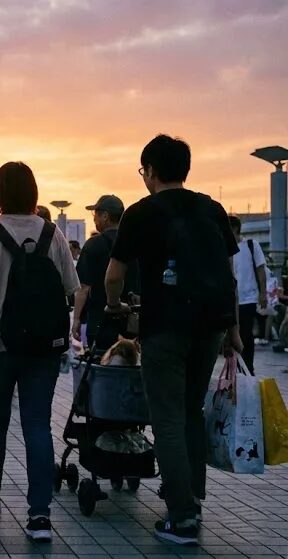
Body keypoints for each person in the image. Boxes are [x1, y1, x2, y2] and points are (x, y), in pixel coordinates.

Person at [105, 134, 240, 545]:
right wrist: (233, 331)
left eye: (143, 170)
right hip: (211, 325)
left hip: (165, 327)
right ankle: (191, 499)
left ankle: (181, 517)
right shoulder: (212, 209)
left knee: (165, 417)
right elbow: (229, 277)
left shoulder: (141, 213)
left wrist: (115, 307)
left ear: (151, 170)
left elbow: (114, 275)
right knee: (190, 412)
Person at [0, 162, 79, 542]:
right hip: (43, 347)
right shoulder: (53, 233)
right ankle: (39, 515)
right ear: (33, 193)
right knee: (37, 425)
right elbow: (70, 286)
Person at [71, 195, 136, 349]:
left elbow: (83, 288)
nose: (94, 220)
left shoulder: (93, 245)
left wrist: (76, 320)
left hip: (100, 323)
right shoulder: (135, 243)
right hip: (131, 324)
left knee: (102, 366)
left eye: (96, 215)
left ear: (105, 216)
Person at [229, 215, 267, 373]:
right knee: (232, 336)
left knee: (245, 332)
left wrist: (263, 293)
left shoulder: (252, 245)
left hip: (248, 298)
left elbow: (260, 269)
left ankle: (248, 368)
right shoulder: (226, 248)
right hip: (231, 299)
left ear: (235, 229)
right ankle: (238, 368)